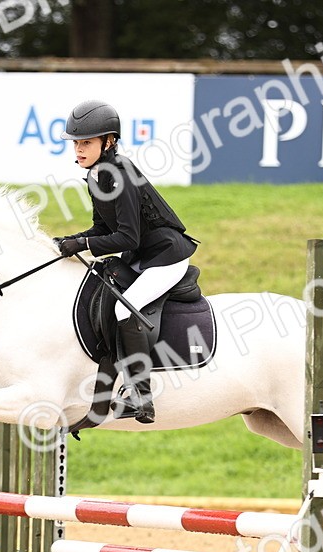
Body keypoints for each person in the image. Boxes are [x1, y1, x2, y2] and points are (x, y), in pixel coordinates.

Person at [54, 100, 198, 425]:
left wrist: (84, 244)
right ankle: (103, 396)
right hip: (143, 256)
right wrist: (67, 242)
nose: (78, 148)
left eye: (86, 142)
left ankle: (141, 397)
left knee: (123, 308)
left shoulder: (118, 176)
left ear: (109, 142)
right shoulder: (97, 175)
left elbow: (128, 238)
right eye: (76, 142)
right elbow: (102, 230)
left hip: (165, 257)